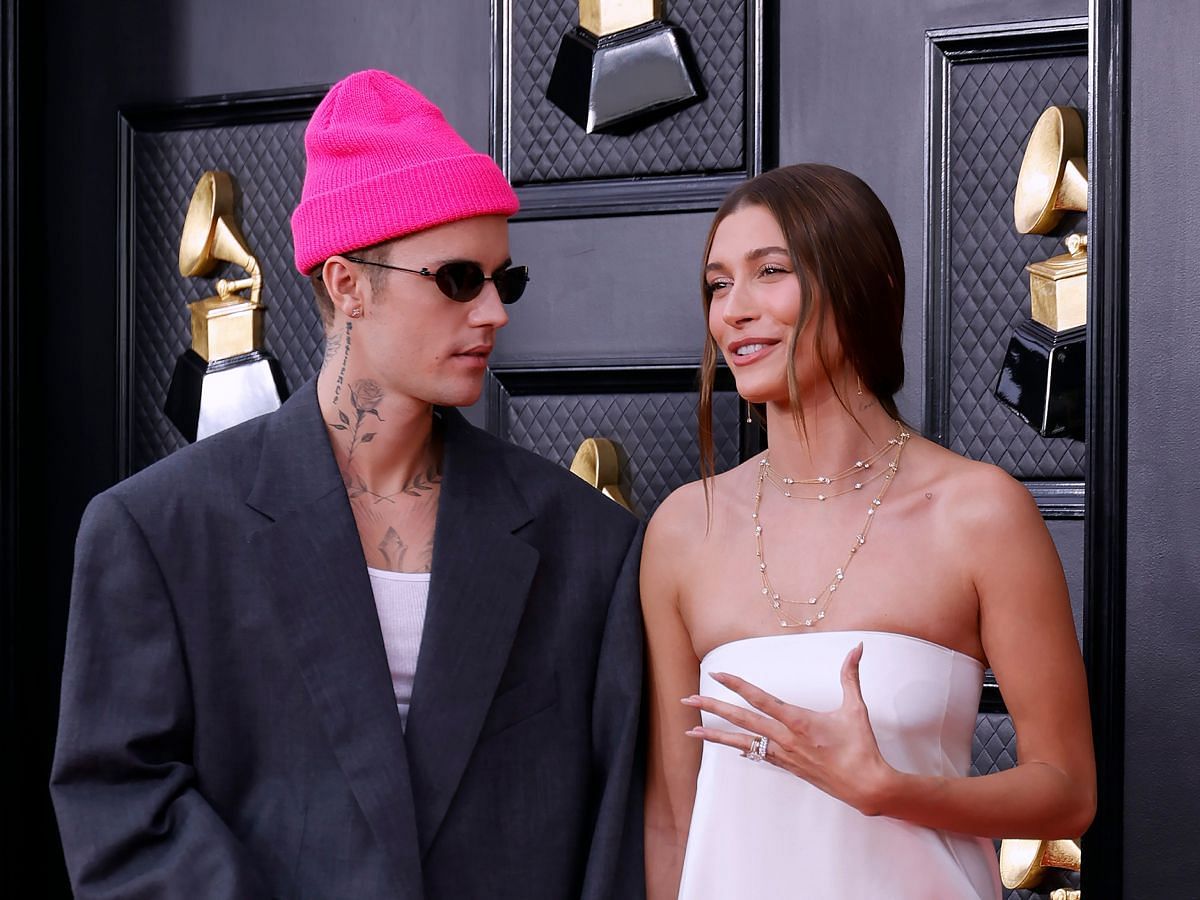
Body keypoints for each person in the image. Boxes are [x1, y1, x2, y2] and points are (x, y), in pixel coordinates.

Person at [51, 69, 645, 899]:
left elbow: (616, 831)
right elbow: (120, 807)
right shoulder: (158, 531)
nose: (494, 313)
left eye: (502, 280)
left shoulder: (587, 544)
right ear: (346, 284)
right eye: (458, 279)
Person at [641, 163, 1096, 899]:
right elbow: (671, 817)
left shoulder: (978, 512)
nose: (734, 310)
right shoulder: (683, 529)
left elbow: (1067, 790)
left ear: (861, 288)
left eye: (771, 272)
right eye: (718, 284)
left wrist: (887, 789)